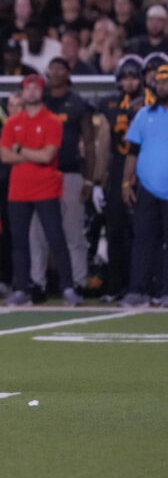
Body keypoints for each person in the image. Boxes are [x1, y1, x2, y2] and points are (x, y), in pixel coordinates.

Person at [0, 74, 82, 307]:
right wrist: (31, 153)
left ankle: (68, 288)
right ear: (22, 92)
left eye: (36, 88)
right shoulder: (12, 122)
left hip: (46, 189)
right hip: (18, 191)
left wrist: (20, 149)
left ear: (42, 92)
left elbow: (48, 155)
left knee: (57, 240)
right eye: (28, 88)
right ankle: (22, 289)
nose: (32, 92)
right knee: (19, 243)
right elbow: (5, 155)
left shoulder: (52, 121)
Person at [29, 58, 96, 294]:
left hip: (69, 173)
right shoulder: (39, 101)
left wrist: (89, 179)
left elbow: (89, 143)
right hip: (40, 173)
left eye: (61, 67)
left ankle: (78, 282)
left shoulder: (78, 104)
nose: (55, 71)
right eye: (52, 67)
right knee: (37, 232)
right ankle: (37, 283)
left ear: (68, 73)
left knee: (73, 231)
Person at [98, 55, 145, 301]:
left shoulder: (147, 103)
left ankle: (139, 283)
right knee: (115, 228)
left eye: (133, 76)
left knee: (139, 231)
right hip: (117, 165)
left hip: (142, 166)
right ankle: (116, 285)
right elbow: (102, 144)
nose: (128, 82)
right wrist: (98, 178)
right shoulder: (108, 103)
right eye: (125, 77)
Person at [121, 64, 168, 308]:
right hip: (147, 187)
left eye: (167, 82)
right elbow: (132, 152)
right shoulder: (142, 114)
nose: (163, 86)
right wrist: (126, 183)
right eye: (160, 82)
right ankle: (138, 289)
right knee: (142, 240)